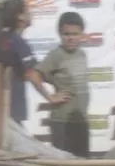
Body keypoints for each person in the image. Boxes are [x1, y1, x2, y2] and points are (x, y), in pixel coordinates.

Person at [0, 0, 68, 126]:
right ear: (20, 17)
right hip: (11, 115)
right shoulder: (18, 43)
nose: (31, 13)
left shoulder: (2, 39)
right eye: (28, 10)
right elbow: (32, 75)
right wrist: (50, 97)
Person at [36, 12, 90, 158]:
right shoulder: (56, 55)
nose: (71, 37)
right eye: (66, 34)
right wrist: (50, 97)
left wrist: (54, 80)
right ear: (60, 34)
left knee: (83, 164)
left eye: (75, 33)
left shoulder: (82, 54)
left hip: (80, 120)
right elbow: (35, 75)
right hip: (62, 122)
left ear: (81, 34)